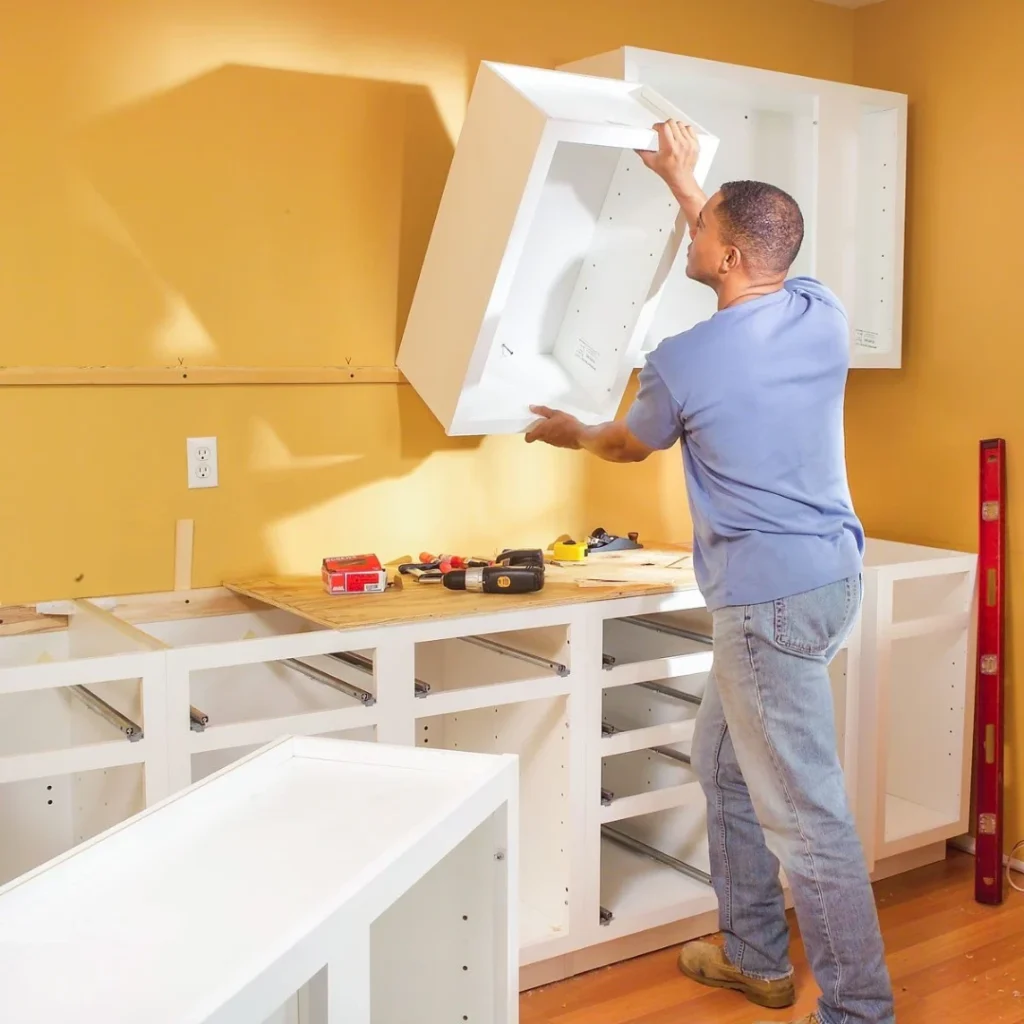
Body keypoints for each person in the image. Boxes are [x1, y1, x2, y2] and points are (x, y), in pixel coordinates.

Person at [524, 121, 895, 1024]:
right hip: (830, 582)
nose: (688, 239)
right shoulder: (822, 312)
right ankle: (758, 959)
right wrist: (688, 182)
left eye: (698, 233)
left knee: (808, 820)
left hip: (764, 605)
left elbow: (625, 443)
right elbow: (738, 246)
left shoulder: (683, 363)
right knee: (723, 765)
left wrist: (569, 431)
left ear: (725, 255)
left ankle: (858, 1010)